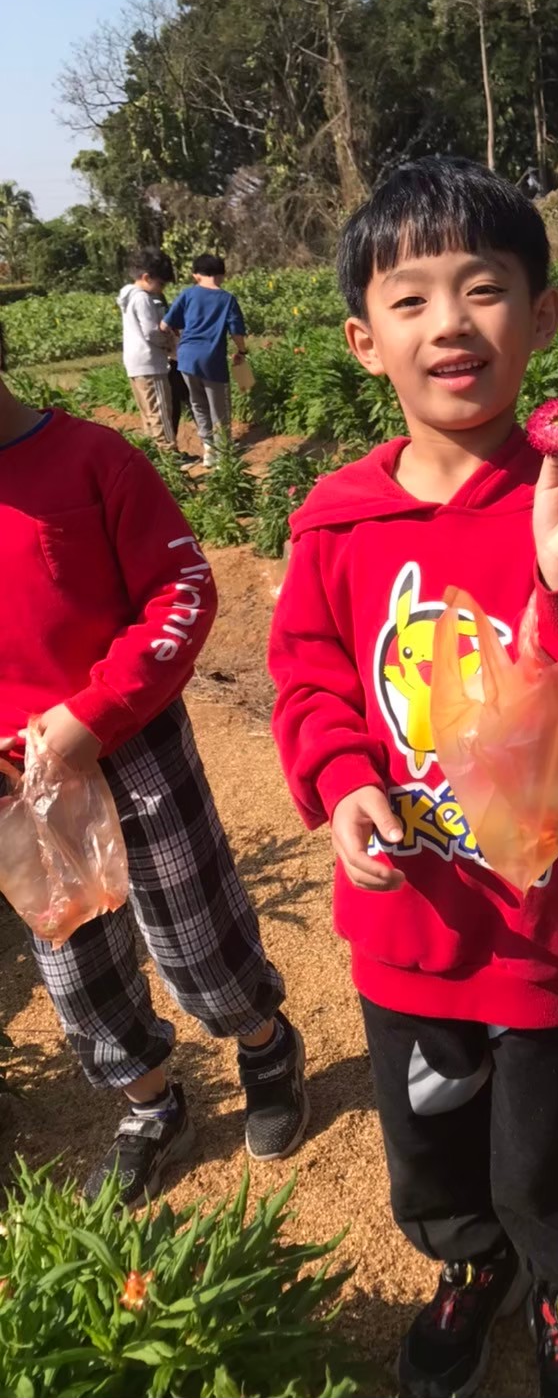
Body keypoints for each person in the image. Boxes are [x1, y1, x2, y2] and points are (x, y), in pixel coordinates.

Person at [268, 156, 558, 1398]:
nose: (450, 323)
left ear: (540, 317)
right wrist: (341, 780)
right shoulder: (336, 519)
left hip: (545, 915)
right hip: (409, 913)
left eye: (483, 289)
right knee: (427, 1129)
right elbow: (311, 675)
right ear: (364, 340)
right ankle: (468, 1260)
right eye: (411, 298)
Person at [0, 373, 309, 1207]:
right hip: (13, 777)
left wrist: (95, 711)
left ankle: (264, 1044)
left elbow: (182, 590)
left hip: (127, 739)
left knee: (192, 926)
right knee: (73, 959)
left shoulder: (91, 460)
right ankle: (151, 1106)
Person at [162, 253, 247, 468]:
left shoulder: (188, 294)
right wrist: (242, 351)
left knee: (198, 403)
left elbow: (165, 324)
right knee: (219, 408)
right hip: (212, 359)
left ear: (196, 275)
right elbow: (236, 332)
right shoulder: (227, 299)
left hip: (186, 358)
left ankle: (209, 449)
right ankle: (223, 457)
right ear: (222, 274)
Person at [117, 248, 183, 457]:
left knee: (148, 411)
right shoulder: (143, 299)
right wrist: (169, 343)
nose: (161, 289)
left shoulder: (127, 296)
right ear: (146, 277)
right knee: (161, 411)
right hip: (151, 362)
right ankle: (169, 455)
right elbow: (151, 332)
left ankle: (154, 454)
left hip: (135, 364)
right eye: (161, 284)